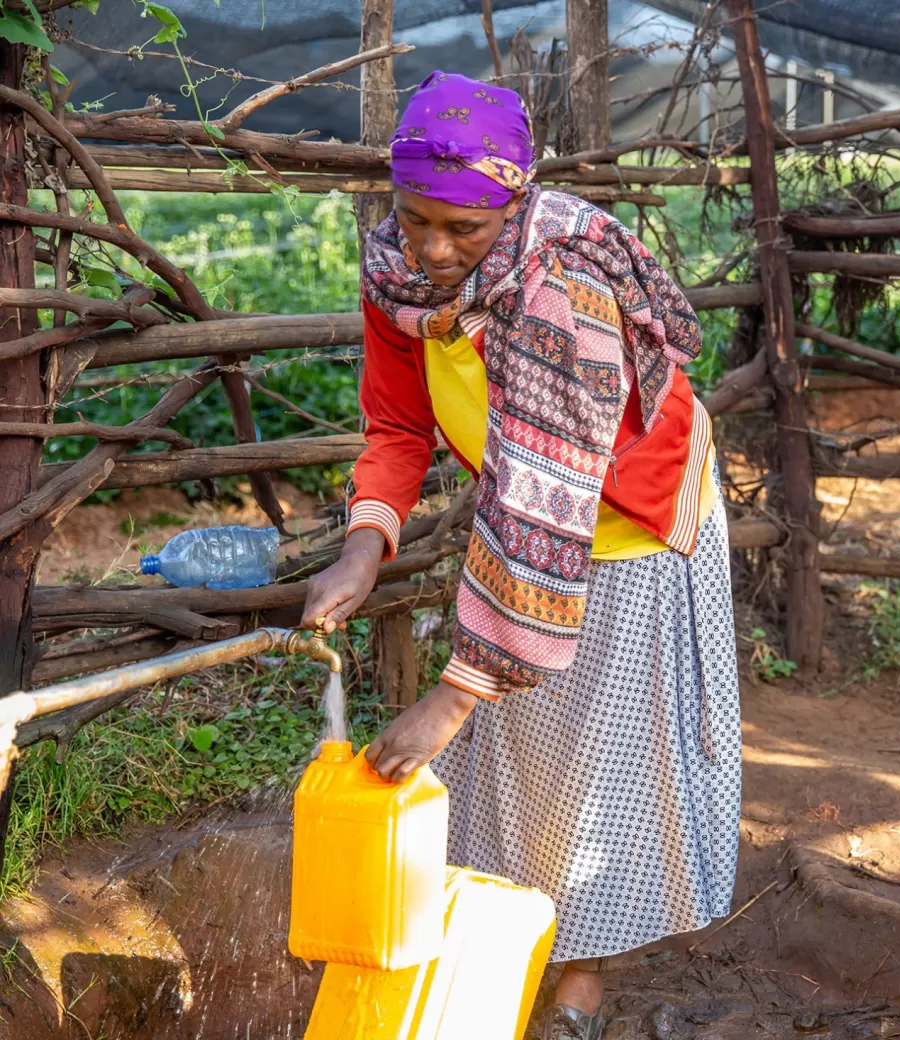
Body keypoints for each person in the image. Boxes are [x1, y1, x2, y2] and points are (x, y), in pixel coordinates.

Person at [300, 71, 741, 1040]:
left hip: (627, 516)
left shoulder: (562, 288)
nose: (435, 248)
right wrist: (365, 543)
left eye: (466, 229)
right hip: (523, 518)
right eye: (417, 220)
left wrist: (457, 689)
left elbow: (554, 496)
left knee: (599, 763)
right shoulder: (398, 274)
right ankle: (513, 942)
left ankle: (579, 983)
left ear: (516, 202)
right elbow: (397, 420)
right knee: (520, 752)